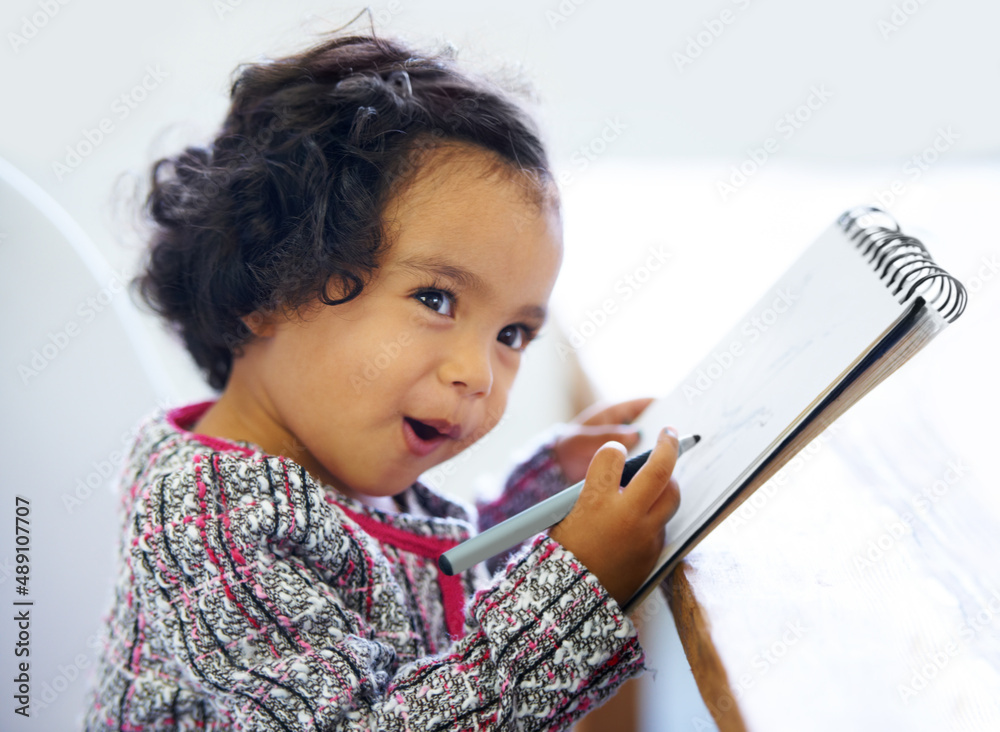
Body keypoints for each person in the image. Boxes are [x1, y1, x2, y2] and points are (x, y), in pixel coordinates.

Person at [83, 24, 681, 731]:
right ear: (271, 285)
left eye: (511, 335)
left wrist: (539, 490)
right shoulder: (205, 516)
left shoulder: (324, 468)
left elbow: (414, 582)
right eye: (435, 298)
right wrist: (571, 598)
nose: (477, 374)